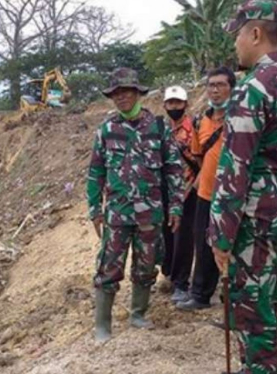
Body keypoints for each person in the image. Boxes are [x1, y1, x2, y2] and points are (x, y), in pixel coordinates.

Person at [209, 1, 277, 372]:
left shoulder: (254, 87)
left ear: (255, 34)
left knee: (252, 314)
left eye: (238, 35)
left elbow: (235, 168)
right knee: (269, 304)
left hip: (255, 222)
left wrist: (221, 235)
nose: (235, 44)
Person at [86, 67, 184, 343]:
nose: (122, 97)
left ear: (138, 93)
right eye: (117, 93)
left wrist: (176, 206)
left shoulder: (159, 128)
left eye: (127, 91)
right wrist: (94, 209)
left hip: (150, 213)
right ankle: (102, 326)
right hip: (117, 214)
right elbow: (95, 173)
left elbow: (174, 170)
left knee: (146, 267)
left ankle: (138, 314)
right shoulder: (106, 130)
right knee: (108, 269)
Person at [175, 67, 236, 311]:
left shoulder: (240, 118)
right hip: (206, 194)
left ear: (232, 88)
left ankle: (233, 298)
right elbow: (198, 155)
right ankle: (200, 294)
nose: (215, 89)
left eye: (221, 84)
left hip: (232, 196)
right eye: (211, 85)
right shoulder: (202, 121)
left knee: (233, 245)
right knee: (203, 243)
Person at [161, 85, 199, 304]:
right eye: (171, 103)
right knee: (166, 234)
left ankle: (181, 283)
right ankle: (168, 274)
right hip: (165, 190)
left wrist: (195, 185)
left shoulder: (194, 128)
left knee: (183, 237)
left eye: (178, 103)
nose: (174, 107)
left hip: (188, 189)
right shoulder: (162, 129)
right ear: (165, 105)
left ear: (185, 104)